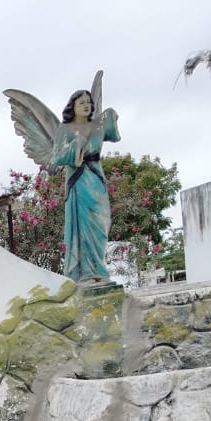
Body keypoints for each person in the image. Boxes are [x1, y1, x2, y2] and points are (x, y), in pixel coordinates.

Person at [53, 87, 121, 283]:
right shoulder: (65, 129)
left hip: (97, 181)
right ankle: (87, 273)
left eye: (89, 102)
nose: (86, 105)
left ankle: (99, 269)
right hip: (79, 181)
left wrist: (111, 116)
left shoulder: (97, 127)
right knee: (84, 227)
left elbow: (114, 136)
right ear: (72, 106)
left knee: (101, 224)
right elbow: (57, 157)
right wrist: (76, 144)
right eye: (81, 102)